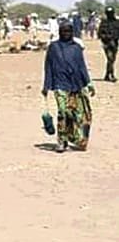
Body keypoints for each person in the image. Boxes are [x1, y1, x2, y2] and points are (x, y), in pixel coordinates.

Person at [43, 22, 95, 153]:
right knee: (63, 111)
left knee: (77, 114)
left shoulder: (77, 47)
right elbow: (48, 66)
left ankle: (77, 139)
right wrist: (46, 85)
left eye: (68, 31)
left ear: (72, 33)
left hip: (76, 84)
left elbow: (82, 66)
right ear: (60, 32)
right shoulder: (53, 47)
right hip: (59, 83)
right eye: (63, 31)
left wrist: (88, 83)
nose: (66, 34)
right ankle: (62, 141)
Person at [97, 6, 119, 82]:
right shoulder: (103, 22)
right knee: (110, 59)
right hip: (107, 44)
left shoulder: (117, 22)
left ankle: (107, 75)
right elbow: (99, 33)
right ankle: (112, 75)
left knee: (112, 60)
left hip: (115, 44)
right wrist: (105, 37)